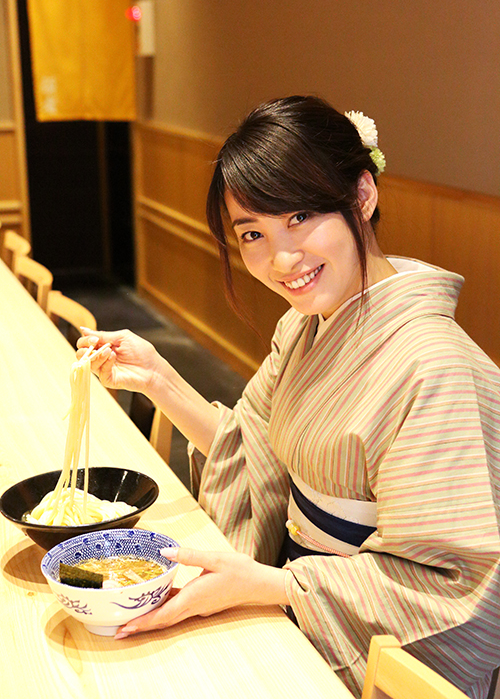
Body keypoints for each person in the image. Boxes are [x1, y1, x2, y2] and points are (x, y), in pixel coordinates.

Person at [78, 96, 500, 699]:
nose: (281, 259)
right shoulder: (305, 326)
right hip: (301, 602)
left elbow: (454, 583)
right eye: (253, 232)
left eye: (299, 217)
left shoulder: (436, 367)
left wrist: (268, 585)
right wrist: (158, 380)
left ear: (362, 195)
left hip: (364, 647)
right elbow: (252, 448)